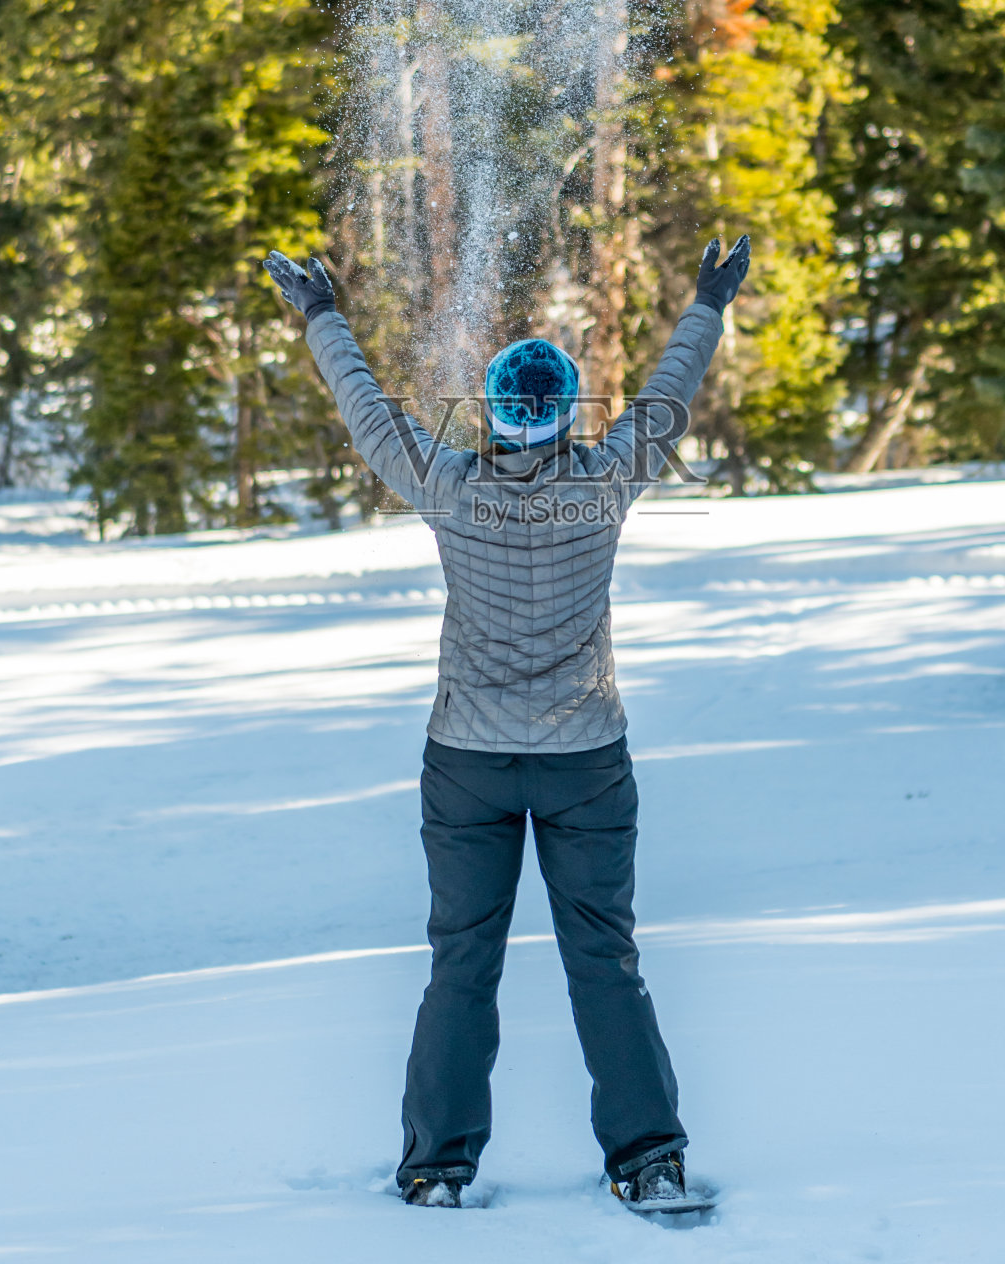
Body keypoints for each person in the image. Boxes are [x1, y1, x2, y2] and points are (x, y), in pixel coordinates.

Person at [264, 234, 751, 1210]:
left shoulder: (453, 486)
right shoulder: (606, 479)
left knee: (463, 963)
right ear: (567, 414)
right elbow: (668, 393)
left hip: (468, 766)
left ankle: (437, 1163)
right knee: (605, 959)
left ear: (496, 413)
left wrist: (322, 313)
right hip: (586, 764)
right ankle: (648, 1156)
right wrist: (708, 299)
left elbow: (368, 415)